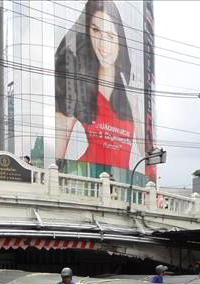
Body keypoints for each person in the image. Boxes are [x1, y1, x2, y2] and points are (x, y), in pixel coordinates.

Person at [54, 0, 139, 176]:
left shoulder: (132, 98)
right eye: (96, 30)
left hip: (121, 184)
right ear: (87, 32)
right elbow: (56, 160)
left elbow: (150, 156)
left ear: (119, 38)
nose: (103, 44)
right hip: (86, 182)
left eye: (110, 35)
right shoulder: (76, 90)